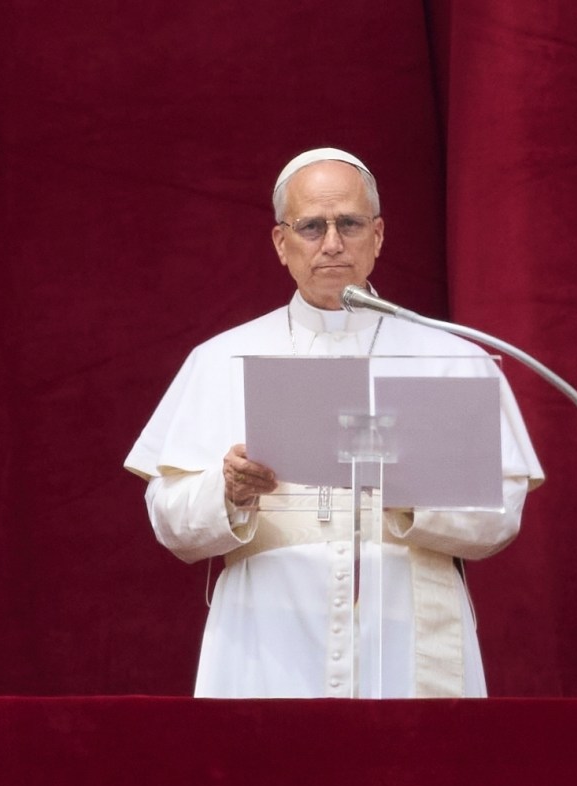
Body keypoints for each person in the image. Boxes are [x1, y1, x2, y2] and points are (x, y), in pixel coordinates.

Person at [125, 147, 543, 698]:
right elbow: (169, 520)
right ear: (281, 242)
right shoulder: (220, 358)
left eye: (348, 223)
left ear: (378, 235)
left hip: (409, 630)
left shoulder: (450, 357)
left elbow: (500, 516)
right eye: (311, 226)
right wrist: (226, 492)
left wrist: (406, 488)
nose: (331, 243)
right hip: (267, 635)